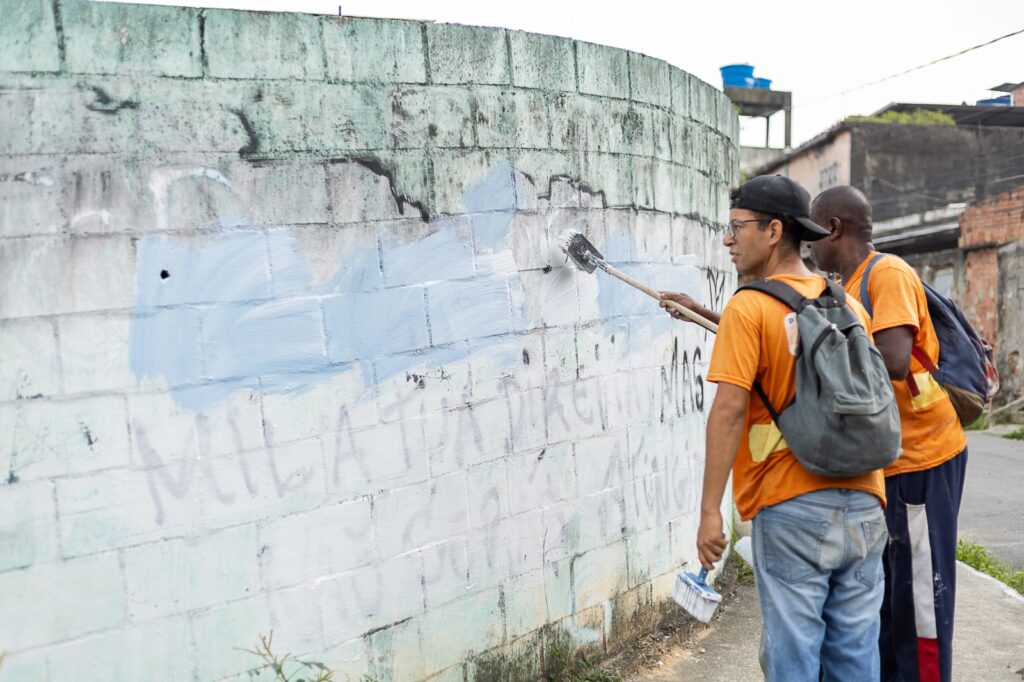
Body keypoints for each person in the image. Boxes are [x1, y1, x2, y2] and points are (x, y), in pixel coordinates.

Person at [662, 175, 888, 681]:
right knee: (855, 658)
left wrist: (709, 515)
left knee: (793, 659)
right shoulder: (847, 304)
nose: (727, 239)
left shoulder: (750, 305)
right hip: (867, 503)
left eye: (735, 227)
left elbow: (728, 412)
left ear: (773, 231)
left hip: (791, 507)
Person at [808, 185, 968, 682]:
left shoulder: (888, 273)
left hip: (923, 459)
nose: (808, 247)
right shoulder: (848, 285)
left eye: (813, 234)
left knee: (920, 602)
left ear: (834, 228)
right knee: (887, 604)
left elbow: (894, 362)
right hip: (889, 464)